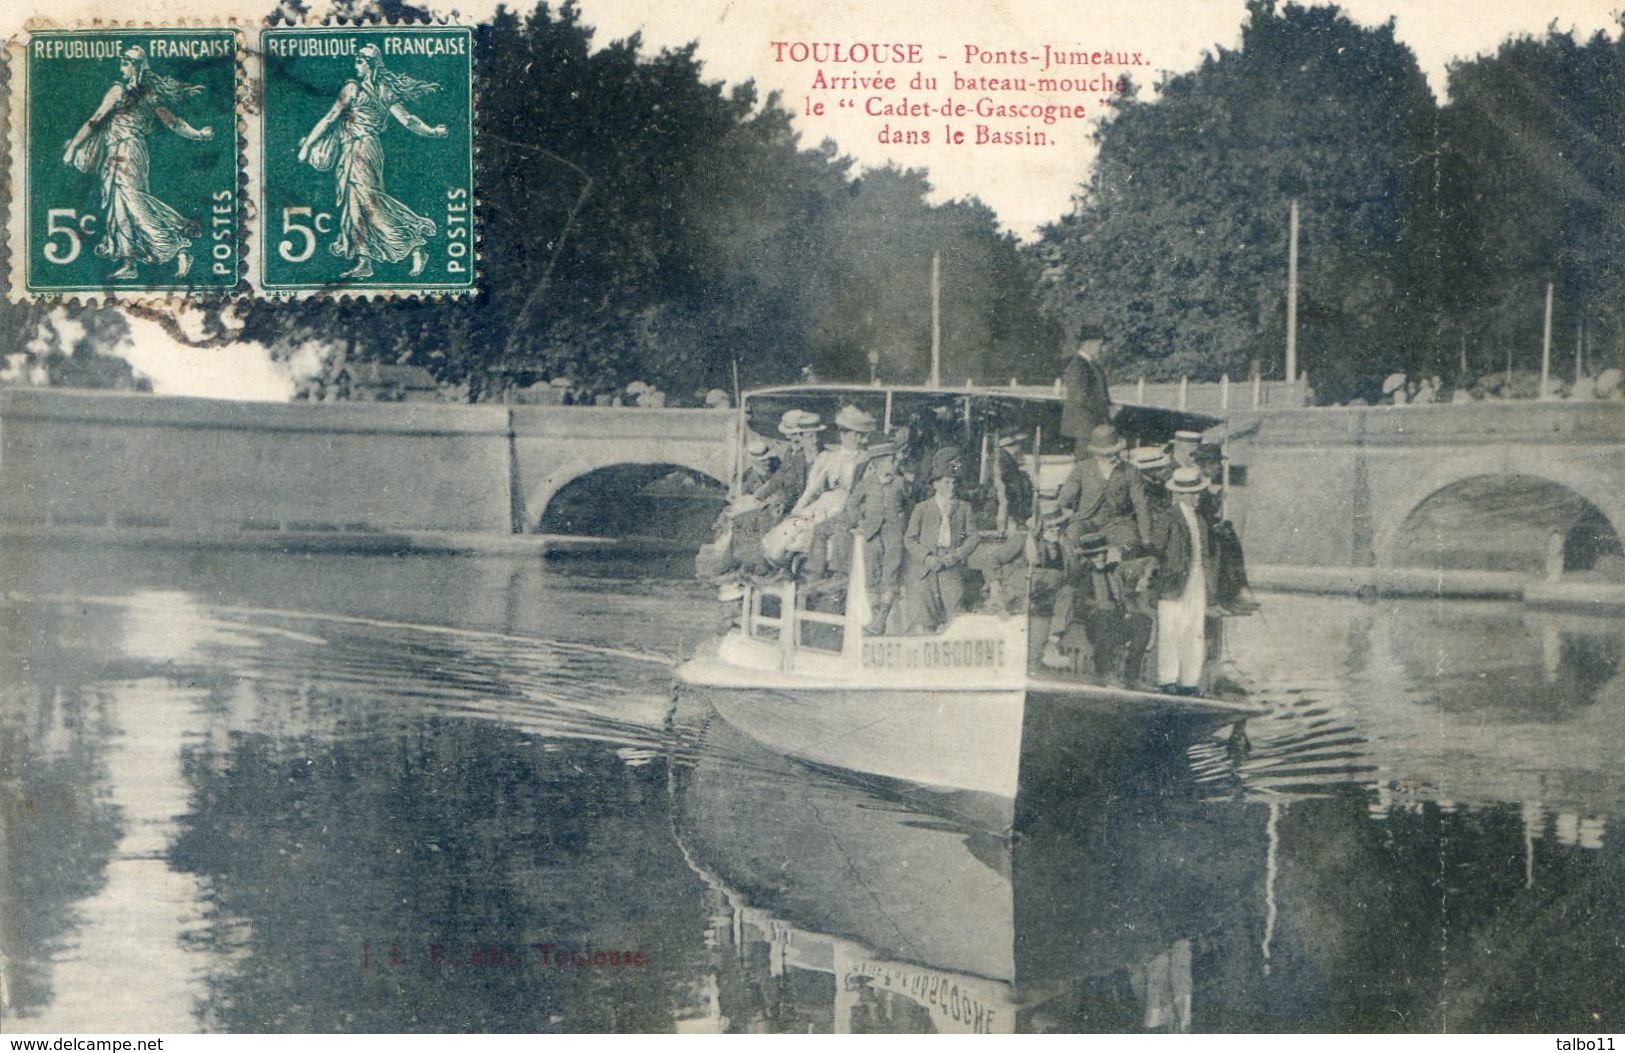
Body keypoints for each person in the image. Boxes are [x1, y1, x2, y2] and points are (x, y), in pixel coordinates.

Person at [62, 46, 214, 280]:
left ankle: (178, 247)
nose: (121, 66)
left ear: (136, 66)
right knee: (119, 205)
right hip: (117, 152)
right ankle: (129, 263)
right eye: (122, 61)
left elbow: (95, 121)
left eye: (126, 62)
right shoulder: (143, 93)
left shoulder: (125, 91)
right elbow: (173, 123)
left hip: (129, 152)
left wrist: (198, 134)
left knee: (133, 202)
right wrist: (199, 134)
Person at [297, 42, 446, 279]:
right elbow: (331, 118)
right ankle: (364, 260)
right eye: (356, 59)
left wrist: (307, 145)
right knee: (354, 205)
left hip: (363, 150)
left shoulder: (357, 89)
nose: (356, 63)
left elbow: (331, 119)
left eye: (361, 60)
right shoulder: (376, 89)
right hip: (353, 150)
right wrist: (432, 131)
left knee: (369, 201)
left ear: (372, 65)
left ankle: (415, 244)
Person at [805, 440, 909, 633]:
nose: (896, 464)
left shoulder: (901, 483)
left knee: (890, 572)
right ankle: (875, 616)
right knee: (872, 573)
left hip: (893, 534)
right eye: (892, 461)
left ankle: (882, 618)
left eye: (895, 461)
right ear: (880, 463)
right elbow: (852, 504)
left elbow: (908, 504)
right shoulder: (867, 483)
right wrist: (860, 521)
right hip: (871, 533)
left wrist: (903, 522)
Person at [763, 404, 874, 565]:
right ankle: (788, 565)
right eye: (842, 431)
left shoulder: (865, 459)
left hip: (845, 505)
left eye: (848, 431)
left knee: (815, 533)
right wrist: (798, 509)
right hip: (824, 502)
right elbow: (812, 488)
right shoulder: (828, 457)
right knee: (794, 527)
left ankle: (807, 565)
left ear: (859, 435)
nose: (843, 435)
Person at [1151, 466, 1214, 695]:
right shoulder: (1167, 518)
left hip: (1196, 579)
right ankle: (1167, 679)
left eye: (1198, 493)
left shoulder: (1200, 521)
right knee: (1171, 630)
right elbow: (1156, 549)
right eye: (1192, 494)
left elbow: (1204, 555)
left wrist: (1209, 584)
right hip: (1173, 580)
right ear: (1180, 494)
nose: (1197, 498)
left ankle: (1189, 681)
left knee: (1194, 630)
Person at [902, 449, 980, 633]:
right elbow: (910, 538)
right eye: (946, 483)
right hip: (927, 567)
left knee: (956, 609)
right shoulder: (922, 508)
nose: (951, 487)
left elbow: (974, 536)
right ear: (936, 484)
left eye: (954, 483)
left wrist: (958, 555)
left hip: (951, 564)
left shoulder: (964, 508)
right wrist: (926, 557)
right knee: (927, 613)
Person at [967, 429, 1036, 613]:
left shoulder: (1007, 465)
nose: (1018, 449)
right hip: (1001, 515)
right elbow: (1008, 496)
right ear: (1006, 446)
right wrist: (1017, 518)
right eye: (1014, 445)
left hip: (1006, 514)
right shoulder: (1003, 463)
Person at [1057, 423, 1151, 557]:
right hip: (1085, 521)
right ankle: (1076, 577)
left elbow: (1141, 505)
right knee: (1070, 540)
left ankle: (1121, 575)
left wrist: (1146, 537)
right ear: (1096, 454)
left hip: (1117, 524)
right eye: (1108, 454)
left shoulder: (1131, 471)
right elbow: (1064, 499)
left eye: (1116, 452)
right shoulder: (1082, 469)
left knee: (1130, 545)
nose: (1114, 457)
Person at [1059, 324, 1112, 442]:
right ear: (1089, 344)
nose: (1103, 349)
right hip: (1084, 424)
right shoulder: (1078, 365)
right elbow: (1079, 397)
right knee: (1085, 459)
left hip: (1092, 423)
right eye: (1100, 345)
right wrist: (1102, 411)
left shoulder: (1092, 365)